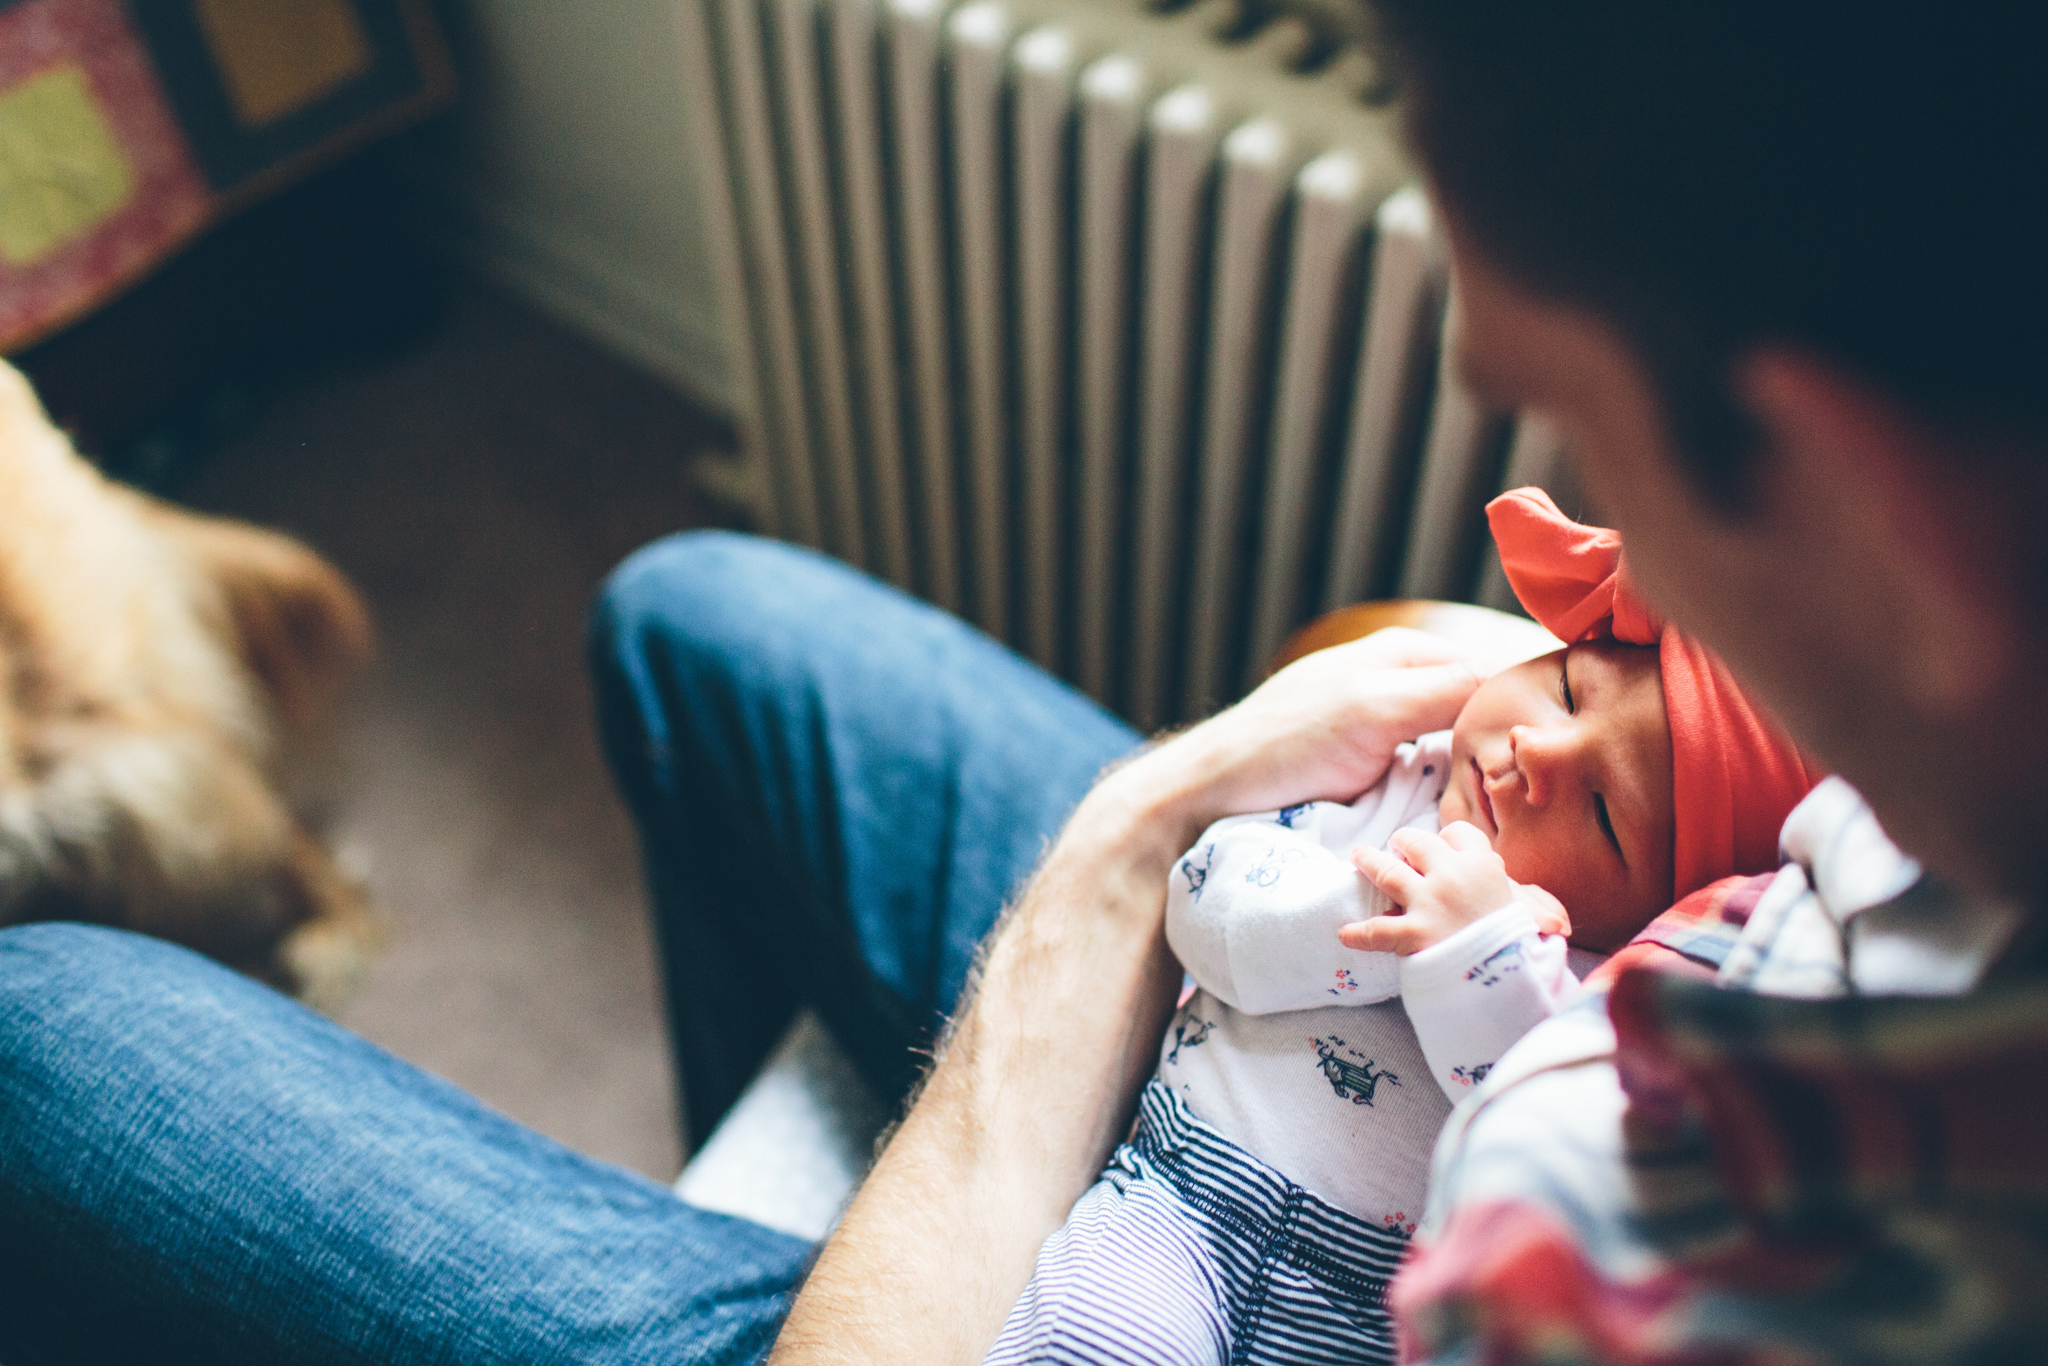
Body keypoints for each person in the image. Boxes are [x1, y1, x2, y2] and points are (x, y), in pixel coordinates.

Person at [1, 3, 2042, 1363]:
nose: (1560, 597)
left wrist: (1125, 841)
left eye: (1580, 433)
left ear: (1873, 511)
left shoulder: (1737, 1270)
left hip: (1263, 1271)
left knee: (52, 1032)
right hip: (1327, 1017)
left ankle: (793, 1257)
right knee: (702, 615)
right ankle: (787, 1147)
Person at [982, 489, 1817, 1365]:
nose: (1539, 752)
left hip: (1370, 1310)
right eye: (1567, 687)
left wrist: (1476, 962)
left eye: (1608, 816)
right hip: (1182, 1202)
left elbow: (1532, 1126)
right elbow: (1202, 905)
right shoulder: (1392, 777)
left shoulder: (1591, 989)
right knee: (1093, 1342)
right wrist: (1380, 913)